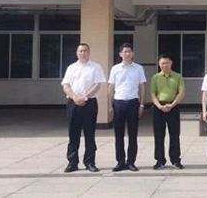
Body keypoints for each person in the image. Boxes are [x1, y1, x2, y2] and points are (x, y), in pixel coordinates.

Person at [61, 43, 106, 173]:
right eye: (80, 51)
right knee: (73, 134)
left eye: (85, 51)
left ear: (89, 52)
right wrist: (75, 97)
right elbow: (65, 85)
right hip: (73, 103)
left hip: (90, 103)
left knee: (89, 134)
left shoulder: (95, 67)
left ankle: (90, 162)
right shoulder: (71, 68)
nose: (83, 53)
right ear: (77, 53)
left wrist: (84, 97)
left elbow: (97, 85)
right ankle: (72, 162)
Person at [108, 43, 147, 172]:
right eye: (125, 52)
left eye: (129, 51)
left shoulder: (138, 68)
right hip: (118, 103)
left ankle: (131, 162)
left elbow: (142, 87)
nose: (127, 54)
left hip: (133, 103)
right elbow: (111, 88)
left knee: (133, 134)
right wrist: (110, 106)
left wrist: (141, 104)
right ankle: (120, 161)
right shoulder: (115, 69)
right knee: (118, 135)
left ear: (133, 53)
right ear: (120, 54)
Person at [151, 54, 185, 170]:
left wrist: (172, 104)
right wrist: (159, 106)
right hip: (158, 108)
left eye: (167, 63)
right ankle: (160, 160)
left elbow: (181, 93)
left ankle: (176, 160)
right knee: (159, 136)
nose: (165, 65)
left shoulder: (178, 76)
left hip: (173, 107)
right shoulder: (155, 78)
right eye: (162, 63)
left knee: (175, 135)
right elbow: (152, 94)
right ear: (159, 64)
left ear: (171, 63)